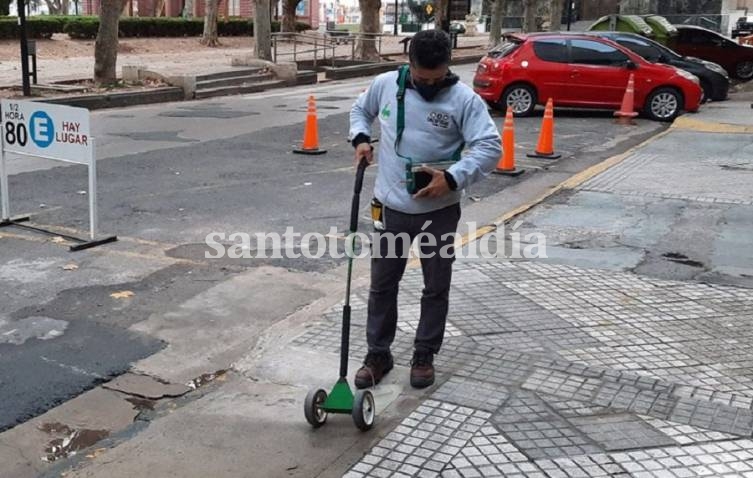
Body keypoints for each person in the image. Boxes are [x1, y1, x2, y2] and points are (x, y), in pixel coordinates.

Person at [348, 29, 501, 389]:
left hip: (439, 212)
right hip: (389, 206)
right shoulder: (385, 84)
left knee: (435, 287)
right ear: (409, 65)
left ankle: (424, 353)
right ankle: (378, 353)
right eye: (421, 79)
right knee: (383, 285)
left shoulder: (463, 99)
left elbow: (490, 147)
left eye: (436, 80)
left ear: (448, 66)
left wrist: (451, 178)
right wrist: (359, 139)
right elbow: (360, 110)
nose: (429, 86)